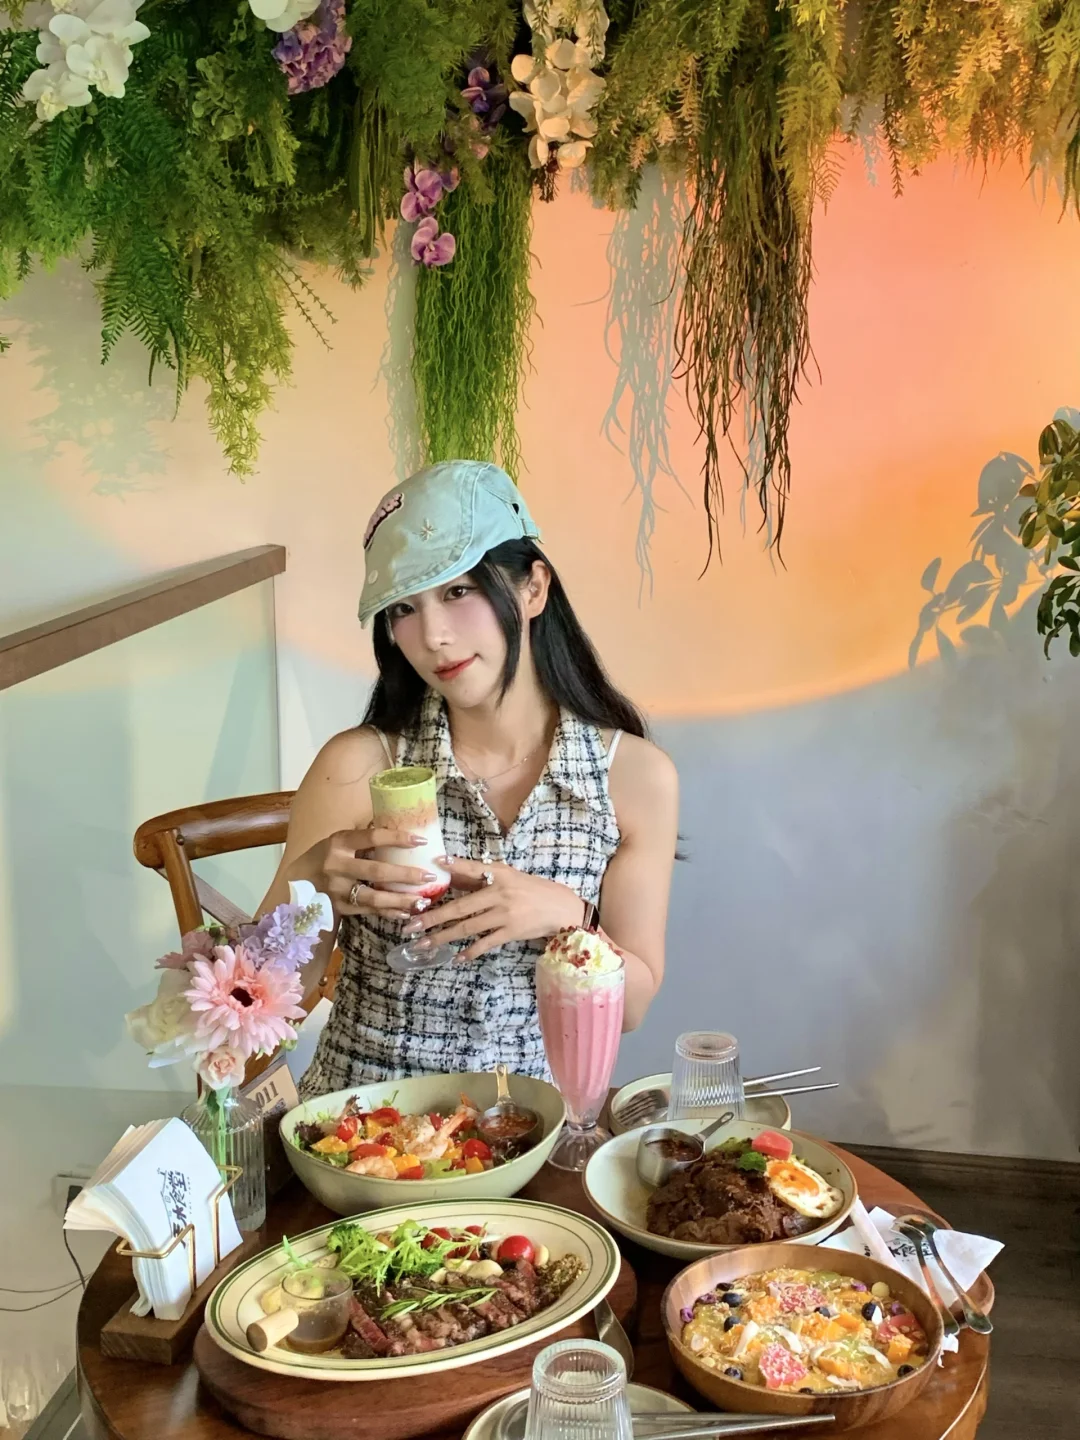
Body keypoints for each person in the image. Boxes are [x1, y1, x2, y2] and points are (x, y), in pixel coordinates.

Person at [260, 460, 678, 1093]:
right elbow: (270, 1001)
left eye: (458, 592)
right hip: (361, 1126)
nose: (433, 636)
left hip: (533, 1128)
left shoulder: (634, 777)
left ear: (533, 589)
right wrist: (312, 876)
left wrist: (569, 915)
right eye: (405, 607)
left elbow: (633, 1007)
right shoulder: (358, 766)